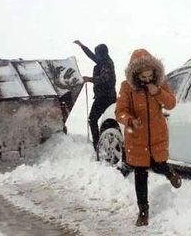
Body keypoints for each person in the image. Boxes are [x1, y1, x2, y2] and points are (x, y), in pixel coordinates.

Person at [115, 48, 182, 227]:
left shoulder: (160, 83)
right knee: (140, 173)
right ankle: (143, 211)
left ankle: (170, 173)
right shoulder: (126, 87)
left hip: (157, 135)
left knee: (159, 163)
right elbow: (120, 112)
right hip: (136, 138)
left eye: (149, 76)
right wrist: (129, 120)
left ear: (154, 72)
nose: (146, 80)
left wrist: (157, 91)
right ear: (135, 75)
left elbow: (171, 104)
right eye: (143, 78)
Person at [73, 40, 117, 153]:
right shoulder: (103, 61)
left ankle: (97, 145)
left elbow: (104, 78)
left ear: (101, 53)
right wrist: (82, 46)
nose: (96, 55)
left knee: (92, 119)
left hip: (105, 97)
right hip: (107, 96)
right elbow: (91, 56)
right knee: (106, 121)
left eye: (97, 53)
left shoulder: (106, 63)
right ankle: (105, 143)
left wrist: (90, 79)